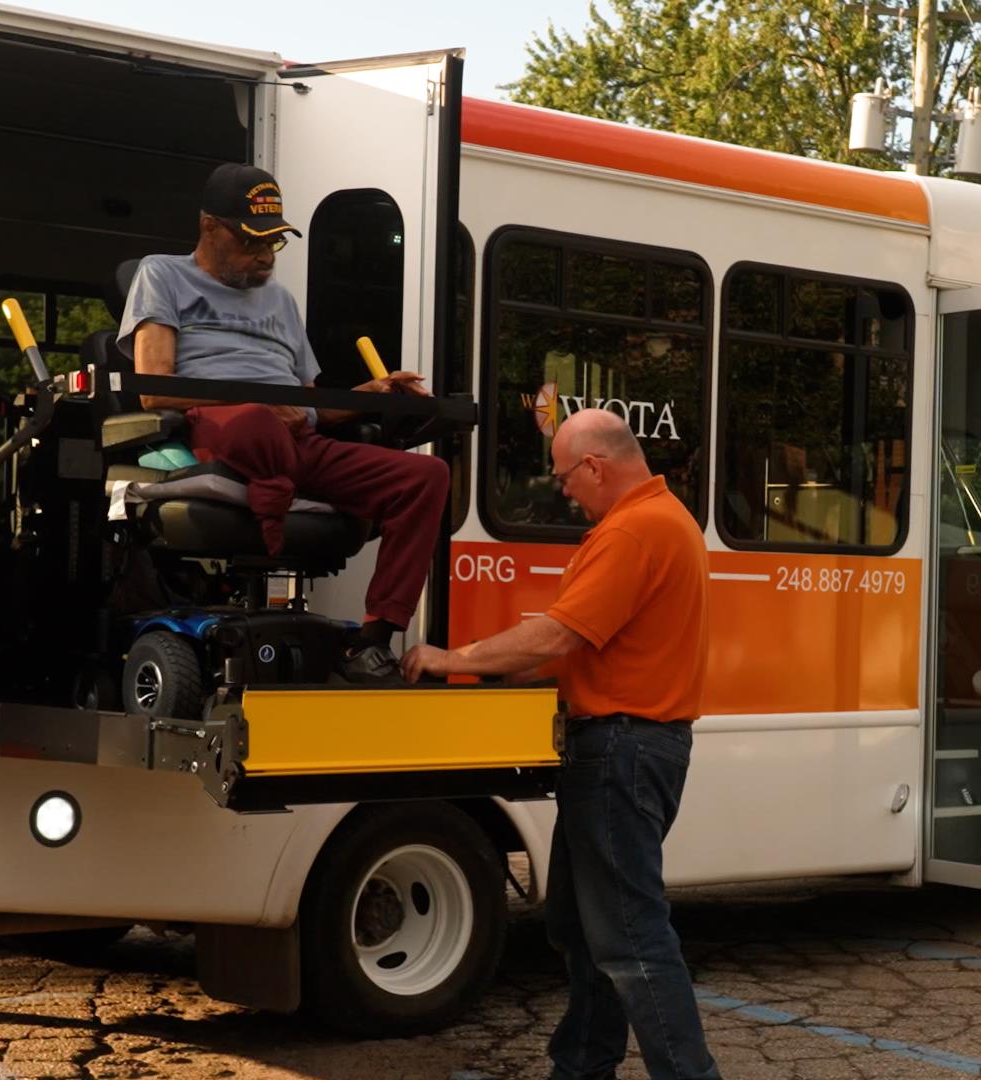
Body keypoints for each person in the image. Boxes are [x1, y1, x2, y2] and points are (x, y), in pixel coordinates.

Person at [401, 409, 720, 1080]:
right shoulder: (665, 521)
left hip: (620, 751)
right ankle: (579, 1066)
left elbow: (556, 636)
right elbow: (574, 643)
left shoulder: (633, 530)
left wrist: (450, 658)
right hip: (631, 749)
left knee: (630, 937)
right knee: (581, 928)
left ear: (596, 467)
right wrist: (501, 665)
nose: (564, 491)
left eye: (565, 477)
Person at [118, 163, 448, 682]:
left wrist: (372, 396)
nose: (266, 255)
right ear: (210, 228)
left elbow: (308, 407)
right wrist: (264, 406)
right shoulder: (163, 274)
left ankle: (372, 639)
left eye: (274, 241)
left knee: (426, 477)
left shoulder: (281, 300)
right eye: (252, 241)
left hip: (293, 442)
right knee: (255, 420)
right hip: (223, 432)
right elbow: (156, 386)